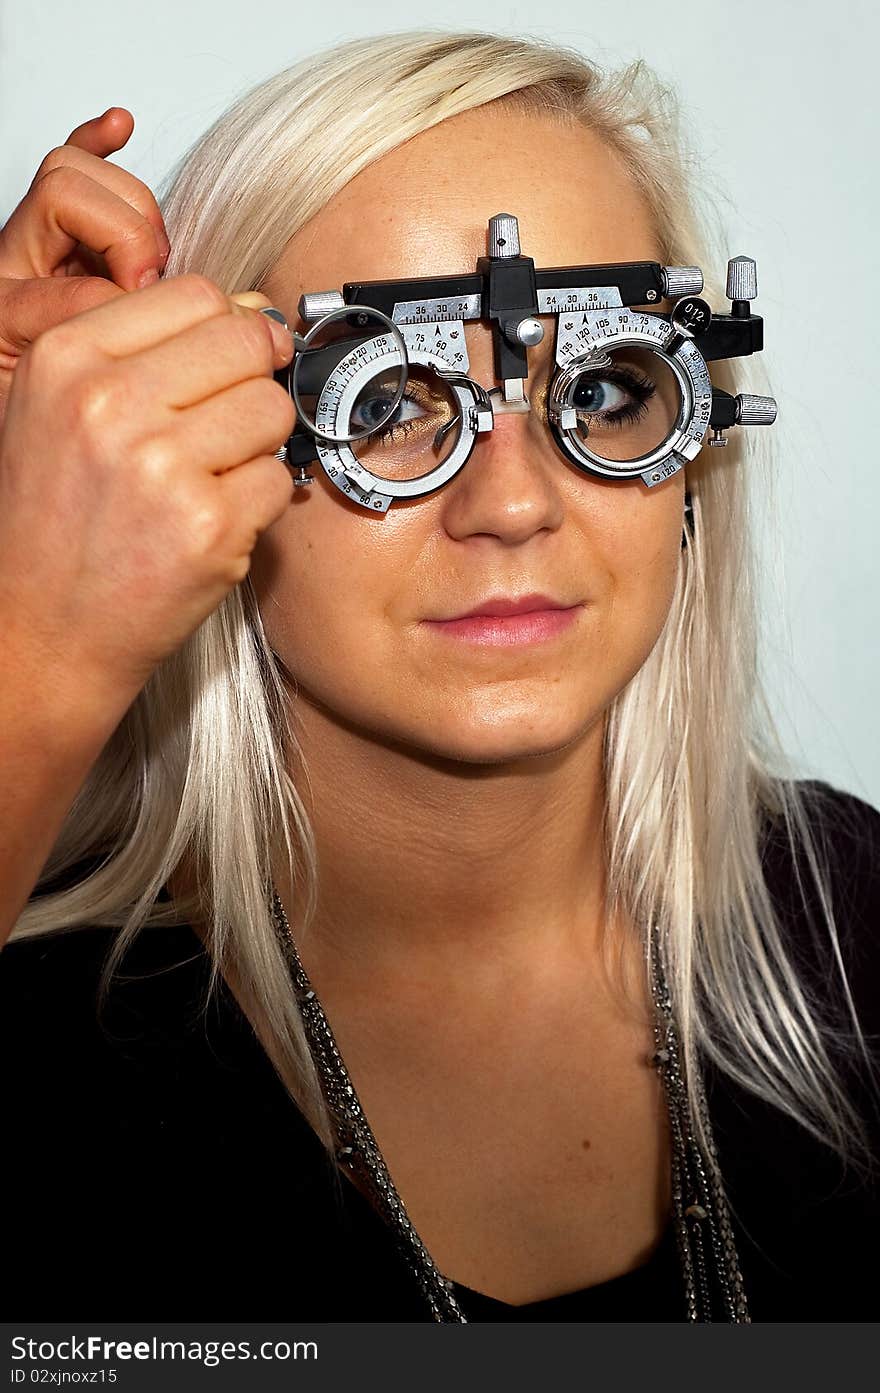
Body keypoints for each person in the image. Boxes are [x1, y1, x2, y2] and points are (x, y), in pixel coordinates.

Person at [0, 30, 877, 1324]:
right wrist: (33, 632)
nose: (514, 502)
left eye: (608, 390)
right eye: (385, 402)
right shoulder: (49, 1043)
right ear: (184, 453)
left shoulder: (855, 927)